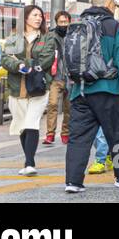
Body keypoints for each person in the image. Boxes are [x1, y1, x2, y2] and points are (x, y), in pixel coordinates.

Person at [62, 0, 119, 192]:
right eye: (115, 5)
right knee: (117, 135)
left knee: (78, 138)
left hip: (80, 91)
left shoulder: (76, 25)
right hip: (109, 90)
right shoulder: (113, 26)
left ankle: (73, 182)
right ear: (109, 4)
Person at [0, 5, 57, 176]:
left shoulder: (48, 38)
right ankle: (28, 161)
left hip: (39, 88)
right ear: (25, 18)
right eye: (34, 15)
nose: (38, 18)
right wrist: (18, 65)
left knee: (32, 122)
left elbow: (47, 59)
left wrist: (25, 63)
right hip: (18, 89)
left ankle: (30, 163)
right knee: (21, 125)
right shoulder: (13, 38)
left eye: (40, 15)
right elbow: (4, 59)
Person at [43, 11, 72, 145]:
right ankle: (50, 134)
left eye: (65, 22)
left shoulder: (74, 36)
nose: (63, 24)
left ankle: (65, 133)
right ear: (56, 22)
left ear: (69, 22)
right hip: (56, 76)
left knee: (69, 107)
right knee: (52, 104)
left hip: (71, 77)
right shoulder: (50, 36)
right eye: (61, 22)